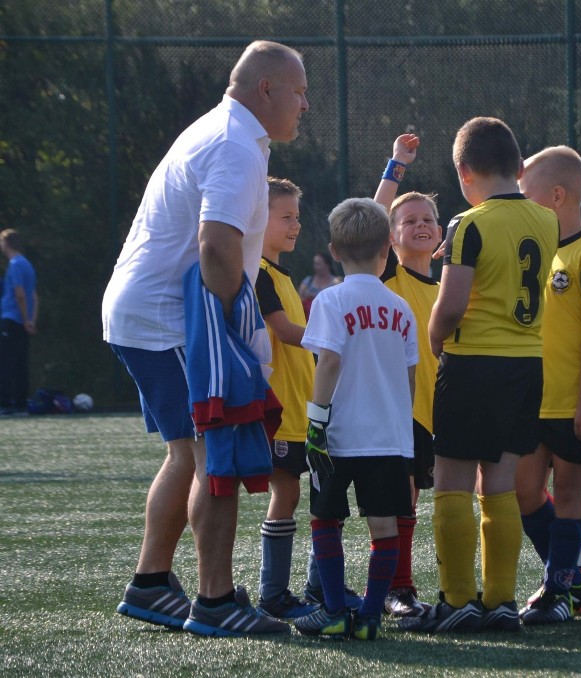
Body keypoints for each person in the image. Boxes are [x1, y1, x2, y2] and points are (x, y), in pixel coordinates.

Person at [102, 40, 308, 637]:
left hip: (150, 313)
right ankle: (215, 601)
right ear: (265, 89)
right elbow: (216, 245)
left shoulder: (225, 132)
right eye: (297, 91)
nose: (305, 104)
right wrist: (231, 336)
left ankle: (149, 583)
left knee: (186, 453)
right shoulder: (235, 144)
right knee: (214, 452)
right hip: (172, 318)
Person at [401, 117, 559, 633]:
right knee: (501, 484)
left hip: (472, 365)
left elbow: (451, 307)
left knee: (451, 481)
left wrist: (433, 340)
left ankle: (458, 599)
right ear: (518, 167)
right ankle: (502, 602)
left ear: (464, 172)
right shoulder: (548, 221)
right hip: (526, 365)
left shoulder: (467, 224)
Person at [293, 197, 417, 640]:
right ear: (388, 247)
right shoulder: (402, 308)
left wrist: (315, 424)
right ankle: (367, 616)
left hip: (339, 434)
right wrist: (403, 429)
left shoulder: (330, 299)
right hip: (388, 436)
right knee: (384, 527)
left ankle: (332, 611)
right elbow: (410, 376)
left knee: (326, 520)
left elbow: (328, 362)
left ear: (335, 250)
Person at [513, 146, 581, 625]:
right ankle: (570, 578)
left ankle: (556, 593)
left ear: (555, 196)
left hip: (578, 402)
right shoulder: (537, 253)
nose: (519, 201)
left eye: (525, 193)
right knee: (524, 491)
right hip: (536, 399)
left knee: (572, 494)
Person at [373, 133, 442, 617]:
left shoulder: (454, 284)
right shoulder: (386, 278)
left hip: (449, 408)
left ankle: (461, 589)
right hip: (401, 409)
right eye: (409, 221)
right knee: (404, 500)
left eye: (428, 220)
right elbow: (370, 221)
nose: (420, 226)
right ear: (391, 236)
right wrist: (396, 167)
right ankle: (400, 588)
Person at [252, 177, 316, 620]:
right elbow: (285, 333)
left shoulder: (279, 274)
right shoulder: (257, 271)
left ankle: (314, 586)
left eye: (297, 215)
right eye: (286, 216)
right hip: (282, 410)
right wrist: (337, 337)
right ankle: (272, 593)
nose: (296, 224)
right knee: (286, 492)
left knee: (307, 493)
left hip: (304, 410)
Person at [0, 229, 38, 414]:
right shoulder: (27, 264)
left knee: (6, 363)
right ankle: (21, 404)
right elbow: (34, 297)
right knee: (21, 364)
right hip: (23, 322)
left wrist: (24, 319)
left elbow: (20, 294)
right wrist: (31, 320)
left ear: (6, 244)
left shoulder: (15, 264)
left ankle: (6, 404)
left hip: (12, 319)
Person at [298, 251, 341, 318]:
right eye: (315, 264)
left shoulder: (336, 282)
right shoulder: (308, 281)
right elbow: (299, 300)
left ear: (327, 265)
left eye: (318, 264)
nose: (316, 267)